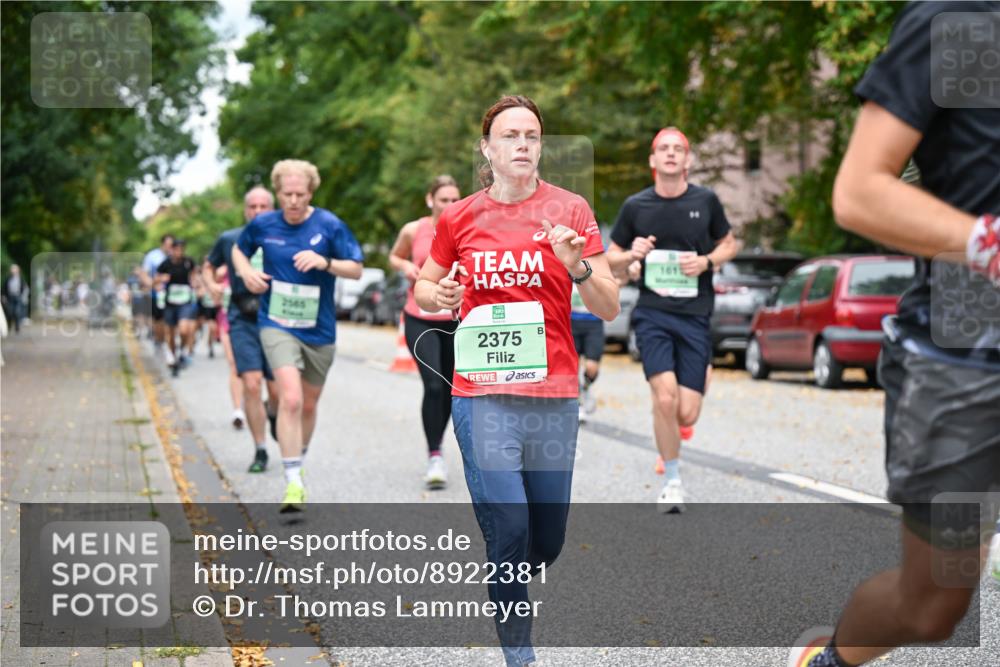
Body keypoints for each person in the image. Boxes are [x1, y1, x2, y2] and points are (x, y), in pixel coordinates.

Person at [787, 3, 1000, 667]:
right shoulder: (958, 22)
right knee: (931, 605)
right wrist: (984, 242)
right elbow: (858, 192)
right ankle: (830, 662)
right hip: (963, 363)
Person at [414, 95, 619, 667]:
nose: (523, 144)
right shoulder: (459, 217)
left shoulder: (571, 210)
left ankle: (509, 572)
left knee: (544, 540)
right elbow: (425, 289)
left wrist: (576, 265)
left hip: (551, 395)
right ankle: (519, 657)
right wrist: (443, 294)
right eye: (510, 135)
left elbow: (607, 307)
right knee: (508, 525)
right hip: (481, 395)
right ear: (488, 148)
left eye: (531, 135)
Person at [606, 127, 738, 513]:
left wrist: (707, 261)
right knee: (664, 398)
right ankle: (672, 480)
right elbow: (610, 258)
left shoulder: (706, 201)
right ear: (652, 160)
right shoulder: (636, 207)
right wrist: (632, 253)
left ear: (688, 159)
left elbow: (729, 243)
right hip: (653, 314)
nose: (670, 154)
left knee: (686, 411)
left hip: (695, 315)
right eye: (662, 149)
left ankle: (689, 396)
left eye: (677, 149)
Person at [233, 162, 364, 511]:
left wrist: (325, 263)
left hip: (319, 330)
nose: (293, 201)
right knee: (289, 399)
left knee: (307, 404)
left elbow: (356, 267)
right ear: (278, 192)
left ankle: (297, 458)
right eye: (287, 194)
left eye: (300, 195)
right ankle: (293, 482)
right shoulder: (263, 224)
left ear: (311, 193)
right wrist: (246, 272)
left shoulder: (329, 225)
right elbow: (238, 250)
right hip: (276, 323)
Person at [389, 174, 462, 489]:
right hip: (419, 315)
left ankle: (440, 444)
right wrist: (405, 267)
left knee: (450, 388)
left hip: (457, 318)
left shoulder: (467, 227)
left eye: (454, 200)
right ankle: (435, 455)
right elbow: (394, 256)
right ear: (430, 200)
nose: (449, 205)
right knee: (433, 385)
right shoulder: (413, 229)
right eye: (443, 199)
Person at [205, 186, 281, 470]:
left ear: (272, 209)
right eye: (253, 206)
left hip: (276, 318)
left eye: (264, 206)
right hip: (241, 318)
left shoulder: (283, 237)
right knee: (251, 383)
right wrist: (212, 285)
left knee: (276, 392)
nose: (258, 211)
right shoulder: (230, 239)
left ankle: (273, 414)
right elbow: (207, 267)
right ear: (245, 209)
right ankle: (260, 449)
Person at [155, 239, 198, 376]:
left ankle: (182, 351)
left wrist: (195, 283)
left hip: (185, 301)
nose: (179, 252)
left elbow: (194, 277)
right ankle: (173, 357)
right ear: (172, 250)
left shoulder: (188, 262)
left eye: (181, 249)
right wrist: (161, 279)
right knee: (171, 334)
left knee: (185, 329)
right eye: (176, 249)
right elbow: (155, 279)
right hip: (170, 303)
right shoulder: (165, 264)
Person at [141, 234, 174, 349]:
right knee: (159, 319)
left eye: (172, 245)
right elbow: (144, 274)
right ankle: (159, 340)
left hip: (172, 294)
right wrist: (153, 285)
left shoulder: (175, 256)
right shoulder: (152, 256)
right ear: (163, 244)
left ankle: (167, 342)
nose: (170, 247)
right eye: (168, 245)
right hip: (156, 294)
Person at [196, 256, 221, 359]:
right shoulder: (200, 275)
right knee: (206, 325)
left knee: (213, 327)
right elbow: (197, 290)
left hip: (215, 305)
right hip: (204, 305)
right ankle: (204, 339)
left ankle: (210, 345)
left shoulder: (218, 274)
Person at [2, 264, 28, 334]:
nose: (13, 271)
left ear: (17, 270)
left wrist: (22, 296)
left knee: (17, 312)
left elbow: (24, 288)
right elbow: (4, 288)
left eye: (14, 269)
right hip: (10, 297)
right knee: (10, 312)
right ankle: (9, 326)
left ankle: (17, 327)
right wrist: (3, 296)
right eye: (12, 269)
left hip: (18, 297)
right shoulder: (8, 279)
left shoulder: (21, 279)